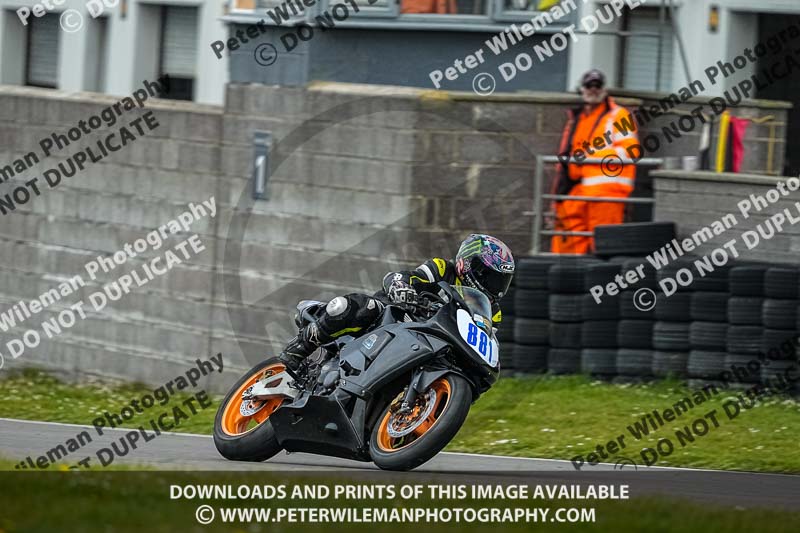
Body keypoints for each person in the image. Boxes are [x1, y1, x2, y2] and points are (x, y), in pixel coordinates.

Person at [279, 234, 515, 370]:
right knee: (359, 307)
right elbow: (403, 276)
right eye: (489, 276)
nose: (494, 286)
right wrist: (403, 288)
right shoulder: (444, 269)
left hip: (431, 345)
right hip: (394, 319)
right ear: (468, 264)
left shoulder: (493, 313)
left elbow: (485, 341)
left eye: (500, 281)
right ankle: (300, 347)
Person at [551, 69, 639, 254]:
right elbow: (565, 159)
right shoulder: (578, 119)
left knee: (603, 246)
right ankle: (568, 277)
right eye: (589, 86)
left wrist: (591, 156)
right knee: (568, 241)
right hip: (579, 189)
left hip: (607, 193)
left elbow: (631, 151)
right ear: (581, 89)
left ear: (605, 90)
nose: (593, 90)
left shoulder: (619, 115)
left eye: (597, 86)